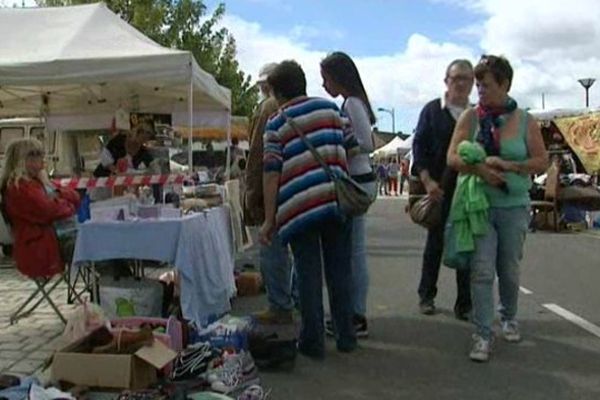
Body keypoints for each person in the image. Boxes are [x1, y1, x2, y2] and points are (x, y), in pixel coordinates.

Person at [447, 55, 548, 362]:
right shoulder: (470, 118)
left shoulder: (526, 120)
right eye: (477, 85)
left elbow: (541, 161)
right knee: (481, 271)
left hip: (514, 205)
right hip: (479, 205)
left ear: (504, 84)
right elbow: (452, 158)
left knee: (509, 269)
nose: (479, 91)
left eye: (486, 85)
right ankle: (482, 334)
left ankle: (509, 316)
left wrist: (511, 165)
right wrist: (480, 171)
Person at [259, 60, 357, 359]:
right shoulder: (332, 109)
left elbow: (271, 172)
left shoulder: (276, 122)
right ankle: (346, 337)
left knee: (308, 275)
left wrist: (269, 219)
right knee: (340, 272)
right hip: (335, 202)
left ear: (276, 92)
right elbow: (351, 148)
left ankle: (313, 342)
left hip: (299, 208)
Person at [412, 59, 474, 319]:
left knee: (465, 246)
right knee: (435, 245)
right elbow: (419, 148)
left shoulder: (476, 113)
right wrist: (428, 182)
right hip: (439, 188)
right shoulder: (432, 110)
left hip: (469, 191)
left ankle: (465, 304)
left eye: (466, 79)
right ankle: (427, 296)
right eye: (456, 78)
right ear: (446, 80)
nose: (461, 83)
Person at [320, 51, 376, 337]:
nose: (323, 85)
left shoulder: (352, 104)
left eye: (325, 78)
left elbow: (366, 142)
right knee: (354, 250)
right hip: (359, 179)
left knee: (353, 252)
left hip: (355, 180)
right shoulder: (353, 103)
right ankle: (354, 312)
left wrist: (340, 149)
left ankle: (356, 314)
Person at [244, 62, 297, 324]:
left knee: (272, 248)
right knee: (296, 254)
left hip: (274, 188)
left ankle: (279, 306)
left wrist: (251, 195)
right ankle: (292, 300)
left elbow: (258, 158)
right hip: (296, 188)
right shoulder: (295, 106)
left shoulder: (267, 108)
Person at [1, 138, 80, 278]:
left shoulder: (38, 182)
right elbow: (49, 211)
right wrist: (65, 204)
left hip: (57, 237)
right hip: (42, 246)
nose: (42, 160)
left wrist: (51, 188)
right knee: (102, 252)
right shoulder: (18, 188)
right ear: (23, 160)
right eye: (36, 155)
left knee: (103, 245)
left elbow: (75, 197)